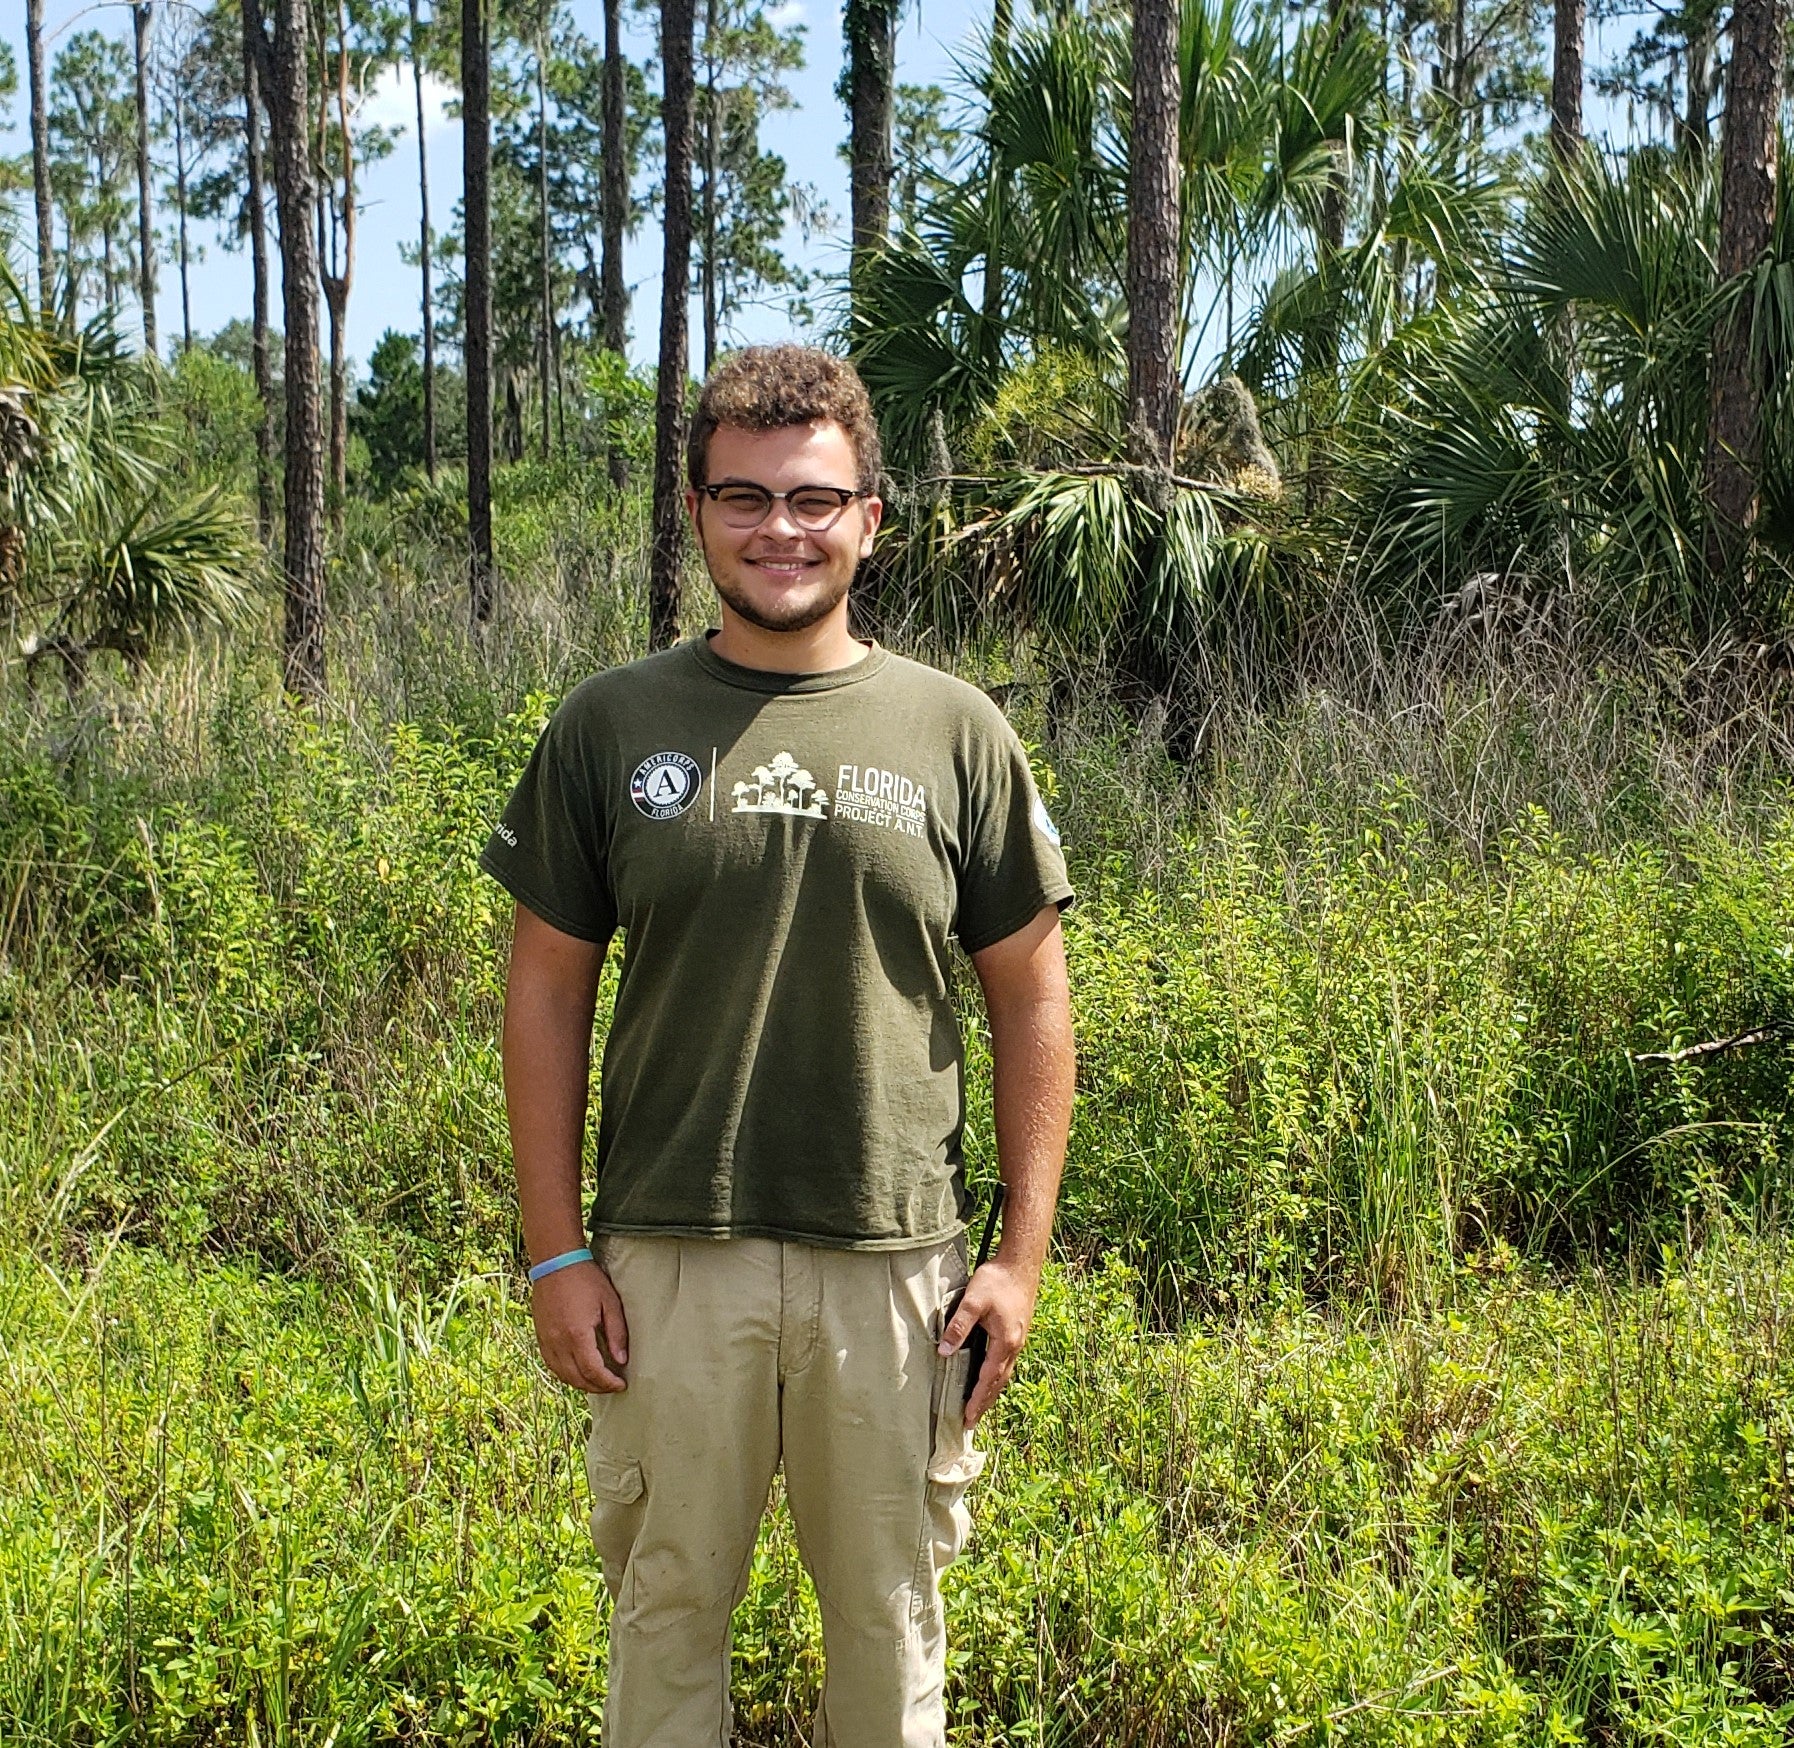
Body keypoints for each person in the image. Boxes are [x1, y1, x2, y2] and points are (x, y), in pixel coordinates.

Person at [480, 344, 1076, 1748]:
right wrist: (556, 1253)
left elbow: (1032, 997)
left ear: (871, 516)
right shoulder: (610, 726)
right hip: (669, 1257)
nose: (779, 530)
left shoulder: (955, 731)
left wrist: (1018, 1255)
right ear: (695, 511)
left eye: (813, 499)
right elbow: (545, 993)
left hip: (895, 1260)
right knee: (668, 1608)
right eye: (743, 497)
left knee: (887, 1620)